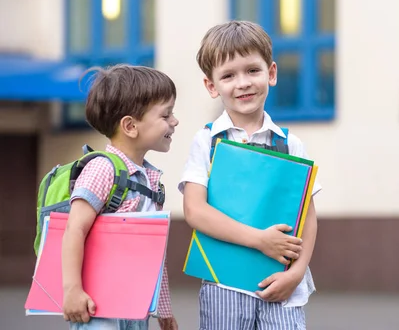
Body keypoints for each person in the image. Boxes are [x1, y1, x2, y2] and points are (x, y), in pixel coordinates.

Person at [180, 20, 322, 329]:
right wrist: (260, 240)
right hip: (224, 285)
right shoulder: (207, 141)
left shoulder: (290, 144)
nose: (242, 83)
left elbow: (307, 217)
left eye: (252, 71)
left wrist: (295, 275)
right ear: (211, 86)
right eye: (228, 75)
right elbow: (194, 209)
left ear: (271, 73)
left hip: (281, 285)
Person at [61, 64, 179, 330]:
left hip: (135, 310)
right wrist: (72, 290)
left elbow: (152, 254)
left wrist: (163, 311)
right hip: (99, 309)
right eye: (166, 115)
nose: (175, 121)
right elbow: (74, 229)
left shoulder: (150, 180)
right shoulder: (103, 168)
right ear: (130, 125)